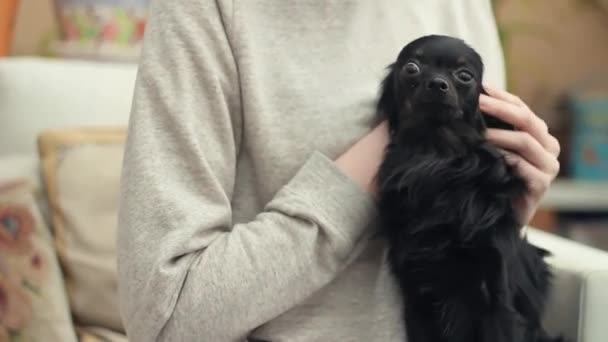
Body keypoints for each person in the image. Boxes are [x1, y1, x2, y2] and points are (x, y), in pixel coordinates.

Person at [116, 0, 561, 341]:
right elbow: (165, 315)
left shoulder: (463, 5)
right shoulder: (206, 11)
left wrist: (497, 210)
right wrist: (395, 151)